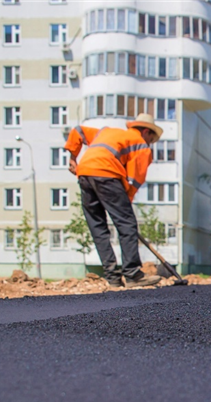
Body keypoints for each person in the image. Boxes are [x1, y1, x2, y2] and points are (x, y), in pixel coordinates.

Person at [64, 113, 163, 289]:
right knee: (127, 224)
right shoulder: (141, 145)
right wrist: (124, 210)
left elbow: (77, 131)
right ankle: (133, 274)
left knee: (98, 227)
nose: (150, 143)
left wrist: (73, 157)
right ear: (146, 131)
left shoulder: (106, 132)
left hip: (85, 173)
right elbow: (133, 182)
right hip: (107, 174)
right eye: (151, 139)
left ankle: (113, 278)